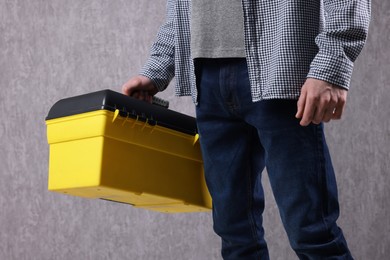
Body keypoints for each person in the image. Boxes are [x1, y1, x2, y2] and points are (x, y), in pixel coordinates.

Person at [122, 1, 371, 259]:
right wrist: (157, 67)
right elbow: (179, 8)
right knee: (236, 238)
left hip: (280, 66)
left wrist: (332, 64)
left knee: (312, 233)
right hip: (207, 80)